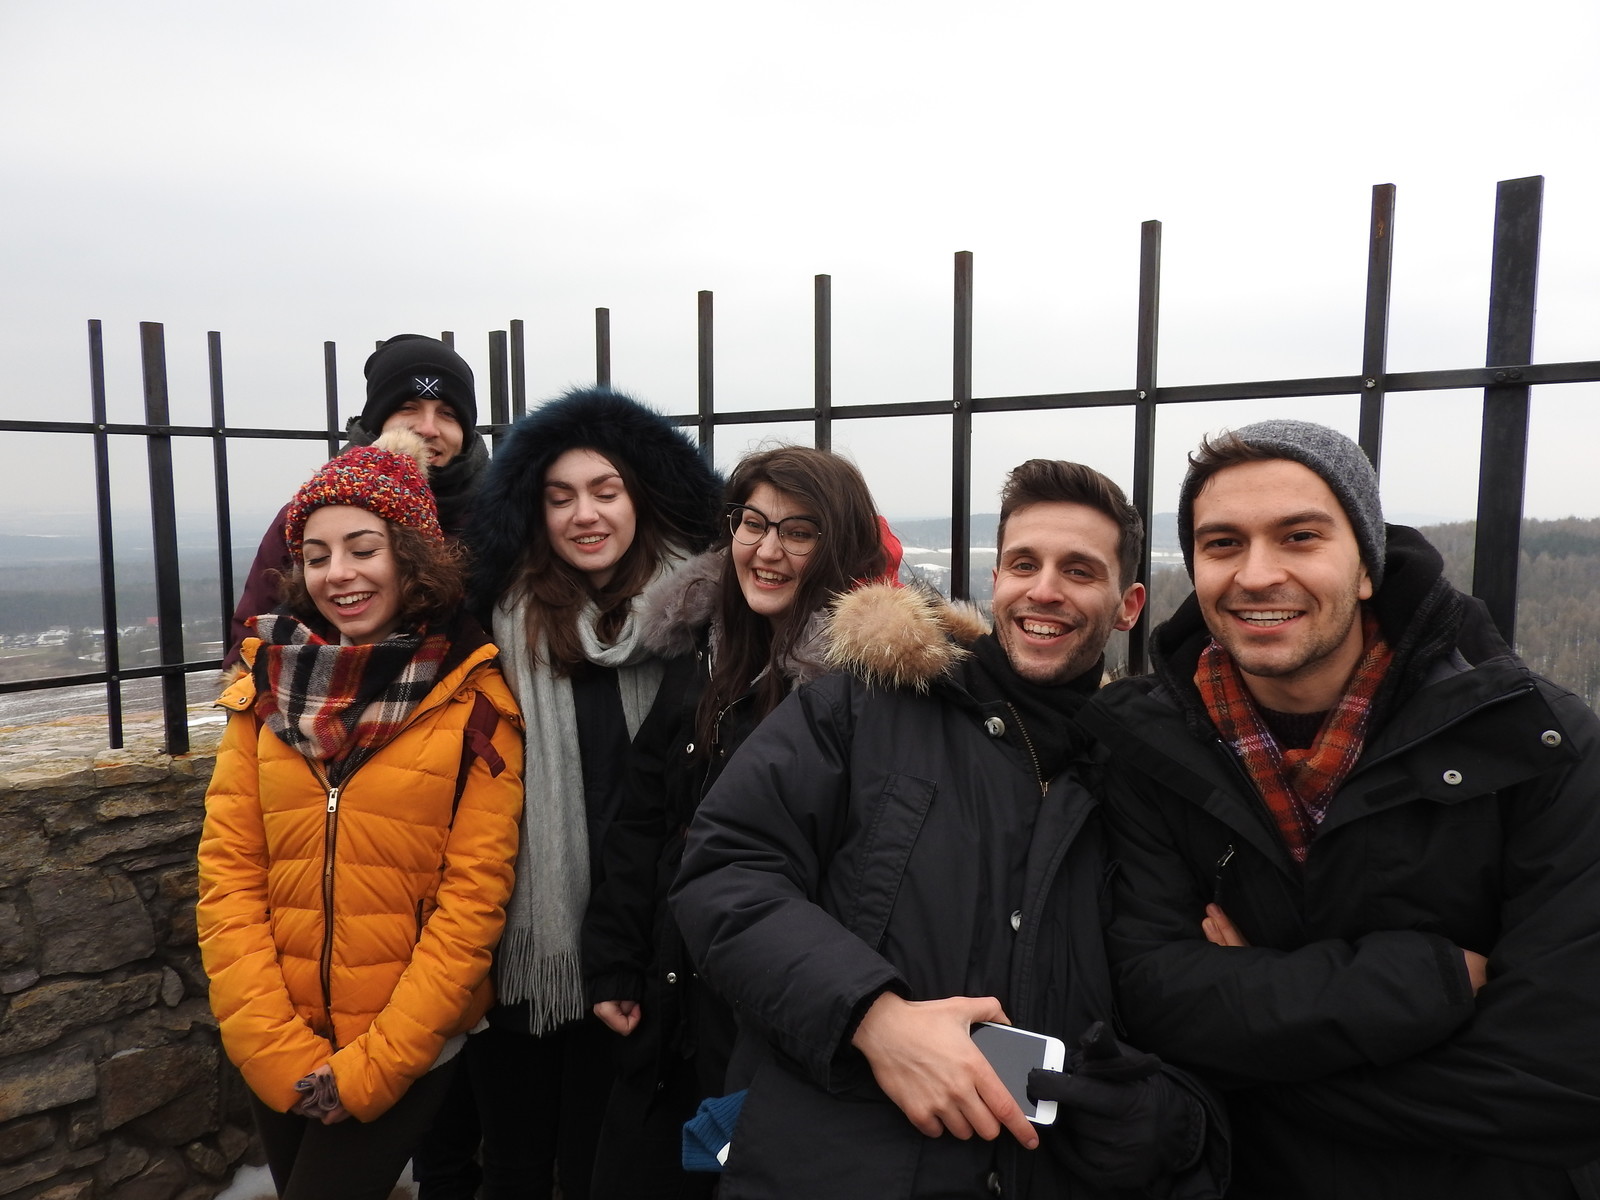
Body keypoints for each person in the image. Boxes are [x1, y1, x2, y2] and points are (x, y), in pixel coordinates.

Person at [670, 459, 1228, 1199]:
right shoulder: (862, 709)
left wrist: (1159, 1117)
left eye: (1078, 570)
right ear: (996, 580)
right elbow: (725, 871)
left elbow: (1189, 1002)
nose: (1044, 590)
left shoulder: (1144, 780)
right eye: (1023, 564)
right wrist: (872, 1017)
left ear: (1128, 605)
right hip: (837, 1169)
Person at [1082, 419, 1600, 1198]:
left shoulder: (1535, 741)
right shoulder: (1147, 748)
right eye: (1222, 544)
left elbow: (1558, 1075)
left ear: (1366, 567)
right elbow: (1151, 999)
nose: (1257, 574)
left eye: (1300, 537)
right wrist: (1432, 981)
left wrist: (1251, 1051)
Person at [196, 429, 524, 1200]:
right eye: (316, 556)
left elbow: (472, 905)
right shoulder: (263, 693)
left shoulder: (473, 701)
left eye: (363, 548)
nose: (338, 572)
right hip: (279, 1038)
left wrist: (371, 1069)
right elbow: (228, 878)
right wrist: (275, 1048)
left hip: (403, 1043)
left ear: (411, 558)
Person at [419, 387, 722, 1200]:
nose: (584, 515)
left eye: (604, 491)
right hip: (524, 939)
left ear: (639, 498)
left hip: (642, 941)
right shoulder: (500, 617)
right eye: (560, 498)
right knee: (514, 1164)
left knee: (607, 1167)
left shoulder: (701, 618)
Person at [581, 445, 902, 1199]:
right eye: (752, 523)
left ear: (839, 546)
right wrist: (616, 960)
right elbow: (645, 816)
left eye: (799, 531)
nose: (766, 550)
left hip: (773, 1021)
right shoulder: (707, 653)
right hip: (670, 1003)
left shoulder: (862, 693)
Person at [224, 333, 488, 667]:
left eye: (448, 413)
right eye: (407, 407)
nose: (428, 428)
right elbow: (253, 637)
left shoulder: (502, 513)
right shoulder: (312, 514)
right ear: (377, 421)